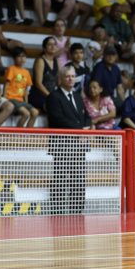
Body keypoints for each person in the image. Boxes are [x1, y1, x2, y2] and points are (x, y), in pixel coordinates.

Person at [45, 66, 91, 214]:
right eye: (67, 76)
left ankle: (77, 211)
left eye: (72, 76)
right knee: (60, 179)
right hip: (62, 145)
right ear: (60, 79)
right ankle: (57, 212)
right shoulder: (53, 96)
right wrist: (80, 131)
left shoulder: (77, 95)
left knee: (78, 179)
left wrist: (87, 127)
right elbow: (57, 119)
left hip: (79, 145)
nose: (71, 79)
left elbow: (86, 115)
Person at [3, 47, 40, 127]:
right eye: (19, 56)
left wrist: (26, 102)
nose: (22, 58)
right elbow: (6, 84)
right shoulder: (11, 69)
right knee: (26, 114)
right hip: (11, 98)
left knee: (35, 112)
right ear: (14, 58)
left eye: (23, 56)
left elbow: (26, 90)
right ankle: (18, 132)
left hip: (21, 100)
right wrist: (4, 98)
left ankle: (28, 132)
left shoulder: (26, 72)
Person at [28, 37, 60, 112]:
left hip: (51, 95)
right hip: (38, 96)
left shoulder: (57, 61)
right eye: (50, 44)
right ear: (44, 48)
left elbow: (59, 82)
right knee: (55, 107)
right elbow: (38, 84)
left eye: (54, 44)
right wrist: (51, 96)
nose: (53, 46)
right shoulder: (40, 61)